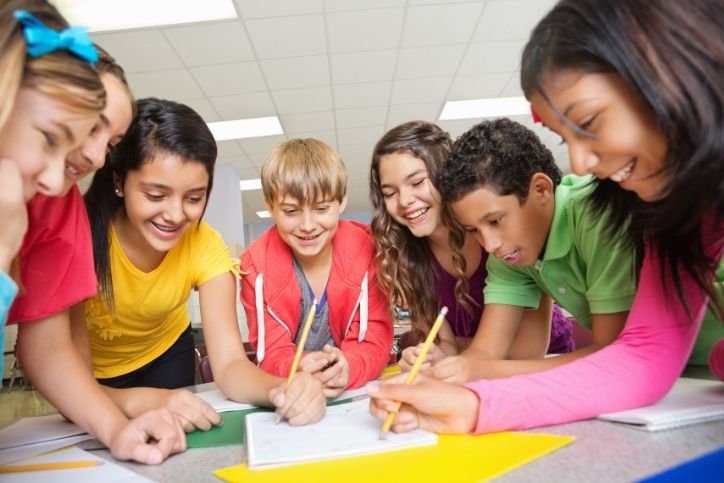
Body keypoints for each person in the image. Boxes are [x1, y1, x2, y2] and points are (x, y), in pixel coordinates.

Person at [368, 0, 723, 434]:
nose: (580, 160)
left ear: (666, 69)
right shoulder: (676, 209)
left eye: (589, 121)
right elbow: (645, 354)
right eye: (564, 136)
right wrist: (472, 403)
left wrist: (478, 388)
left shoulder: (602, 212)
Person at [2, 0, 185, 464]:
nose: (98, 157)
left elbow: (47, 343)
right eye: (84, 128)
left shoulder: (55, 202)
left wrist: (115, 428)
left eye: (113, 142)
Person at [81, 98, 326, 426]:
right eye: (155, 196)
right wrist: (140, 399)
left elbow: (228, 365)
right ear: (119, 182)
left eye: (194, 198)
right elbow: (62, 370)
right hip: (88, 376)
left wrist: (281, 390)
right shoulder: (79, 235)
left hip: (166, 358)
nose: (175, 214)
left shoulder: (204, 244)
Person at [427, 118, 638, 382]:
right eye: (474, 230)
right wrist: (437, 379)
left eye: (495, 221)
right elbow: (484, 352)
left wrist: (483, 370)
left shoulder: (596, 213)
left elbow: (613, 354)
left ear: (541, 189)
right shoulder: (510, 254)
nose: (489, 244)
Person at [369, 120, 574, 371]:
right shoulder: (408, 257)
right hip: (475, 368)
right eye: (389, 193)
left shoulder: (505, 240)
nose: (404, 200)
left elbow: (524, 353)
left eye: (417, 182)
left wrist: (462, 349)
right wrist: (436, 355)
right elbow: (449, 345)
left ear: (447, 177)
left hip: (545, 363)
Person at [241, 138, 393, 402]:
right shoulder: (256, 266)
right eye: (291, 211)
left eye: (322, 209)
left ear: (342, 201)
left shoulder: (370, 252)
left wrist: (347, 367)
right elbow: (271, 353)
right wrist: (297, 369)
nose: (308, 225)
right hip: (293, 394)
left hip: (353, 397)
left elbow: (374, 342)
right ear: (269, 206)